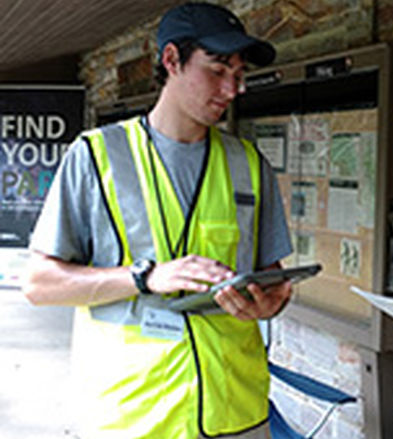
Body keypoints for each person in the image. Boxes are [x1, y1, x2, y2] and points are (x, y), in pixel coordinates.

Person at [22, 3, 292, 438]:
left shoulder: (250, 164)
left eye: (239, 75)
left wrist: (271, 300)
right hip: (132, 418)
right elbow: (38, 284)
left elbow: (274, 279)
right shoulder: (94, 156)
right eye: (218, 69)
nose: (233, 88)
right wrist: (145, 277)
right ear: (171, 61)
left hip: (237, 414)